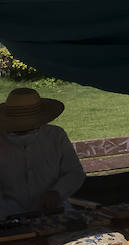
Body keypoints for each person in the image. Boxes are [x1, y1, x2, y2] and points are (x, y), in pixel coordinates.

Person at [0, 87, 85, 218]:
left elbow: (75, 172)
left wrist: (57, 192)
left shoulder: (55, 135)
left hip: (54, 210)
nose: (23, 130)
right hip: (8, 212)